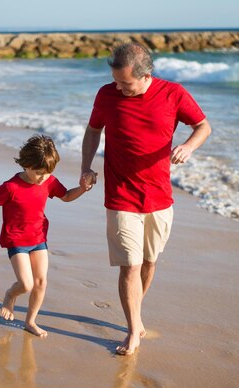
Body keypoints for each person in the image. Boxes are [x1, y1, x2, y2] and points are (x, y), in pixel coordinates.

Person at [80, 43, 212, 355]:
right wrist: (86, 166)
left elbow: (203, 126)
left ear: (146, 75)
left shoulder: (173, 94)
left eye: (125, 83)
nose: (118, 87)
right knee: (129, 265)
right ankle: (133, 329)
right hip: (120, 194)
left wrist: (189, 147)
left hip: (159, 197)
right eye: (115, 80)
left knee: (149, 262)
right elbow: (92, 130)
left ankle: (136, 316)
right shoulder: (106, 95)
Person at [0, 134, 94, 337]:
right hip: (16, 239)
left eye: (48, 173)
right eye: (39, 173)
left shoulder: (48, 181)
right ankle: (10, 294)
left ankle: (30, 322)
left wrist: (83, 189)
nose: (43, 177)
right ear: (27, 165)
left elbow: (66, 196)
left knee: (41, 282)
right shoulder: (11, 187)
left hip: (39, 237)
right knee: (26, 284)